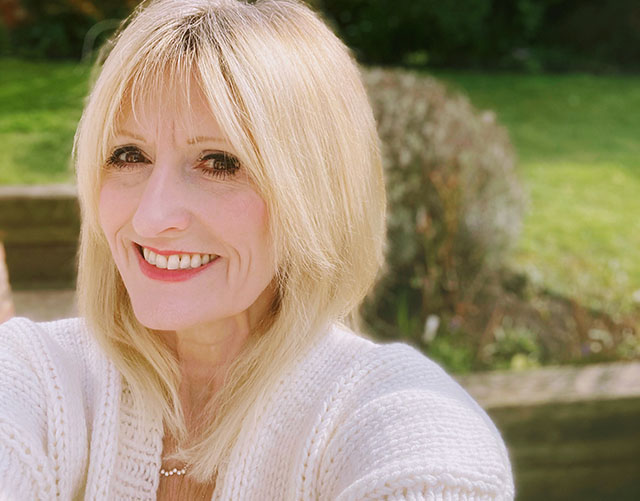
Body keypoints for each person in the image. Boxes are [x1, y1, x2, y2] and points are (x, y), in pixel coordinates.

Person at [0, 0, 515, 499]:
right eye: (128, 155)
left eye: (220, 162)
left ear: (317, 194)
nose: (152, 218)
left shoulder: (401, 417)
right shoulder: (37, 374)